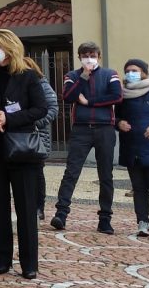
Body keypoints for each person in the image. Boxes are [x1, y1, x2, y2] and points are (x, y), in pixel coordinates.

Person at [0, 29, 48, 278]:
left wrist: (9, 118)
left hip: (22, 149)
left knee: (25, 209)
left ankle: (29, 264)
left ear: (9, 47)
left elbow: (40, 109)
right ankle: (1, 260)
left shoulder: (28, 77)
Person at [51, 40, 123, 234]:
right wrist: (83, 77)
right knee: (71, 172)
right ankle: (61, 214)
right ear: (79, 57)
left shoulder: (110, 74)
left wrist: (89, 101)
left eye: (92, 55)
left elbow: (117, 96)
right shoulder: (72, 75)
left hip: (105, 129)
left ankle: (105, 218)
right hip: (81, 129)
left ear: (99, 56)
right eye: (85, 55)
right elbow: (68, 97)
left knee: (105, 175)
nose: (89, 58)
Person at [118, 58, 149, 238]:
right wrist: (119, 123)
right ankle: (142, 222)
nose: (130, 73)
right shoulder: (123, 93)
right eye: (127, 71)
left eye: (134, 70)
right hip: (132, 146)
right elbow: (116, 116)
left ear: (143, 71)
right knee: (138, 187)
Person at [30, 58, 59, 221]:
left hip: (38, 135)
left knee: (37, 172)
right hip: (20, 134)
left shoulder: (42, 84)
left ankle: (39, 207)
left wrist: (36, 123)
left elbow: (53, 108)